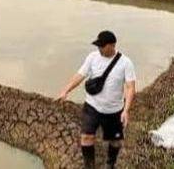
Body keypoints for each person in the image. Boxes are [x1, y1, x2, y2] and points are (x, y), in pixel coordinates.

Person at [57, 30, 136, 169]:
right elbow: (79, 75)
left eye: (102, 46)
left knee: (115, 141)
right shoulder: (92, 57)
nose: (99, 48)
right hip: (92, 106)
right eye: (98, 45)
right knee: (86, 137)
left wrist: (126, 110)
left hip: (114, 110)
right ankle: (89, 166)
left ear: (111, 45)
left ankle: (110, 164)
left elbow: (130, 88)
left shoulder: (126, 63)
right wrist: (66, 90)